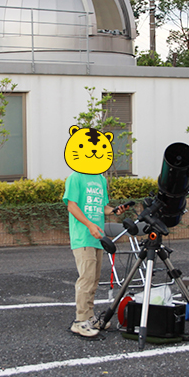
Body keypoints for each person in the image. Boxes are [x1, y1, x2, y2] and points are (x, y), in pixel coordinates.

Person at [62, 125, 126, 338]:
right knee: (87, 278)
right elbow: (71, 206)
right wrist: (89, 225)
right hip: (83, 237)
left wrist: (115, 210)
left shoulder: (100, 179)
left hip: (98, 238)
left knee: (94, 279)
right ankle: (80, 320)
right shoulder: (75, 177)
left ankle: (89, 317)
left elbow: (103, 208)